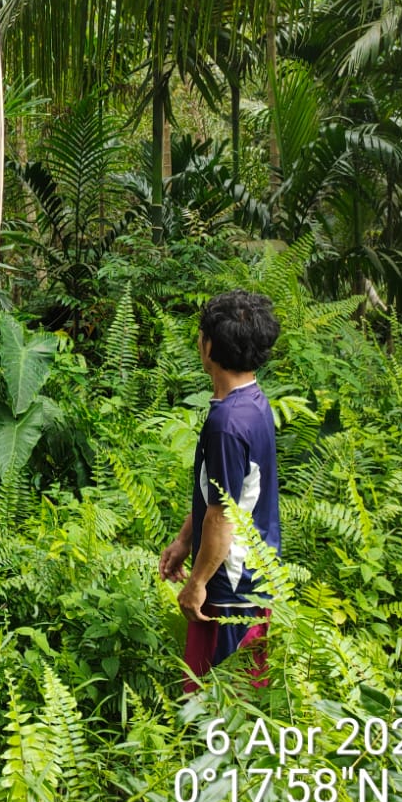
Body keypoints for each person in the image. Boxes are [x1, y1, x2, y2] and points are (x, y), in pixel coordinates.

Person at [158, 289, 281, 693]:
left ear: (210, 346)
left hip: (231, 587)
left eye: (200, 334)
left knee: (216, 706)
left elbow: (223, 515)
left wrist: (197, 584)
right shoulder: (255, 404)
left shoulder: (226, 424)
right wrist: (182, 540)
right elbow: (224, 494)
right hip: (255, 574)